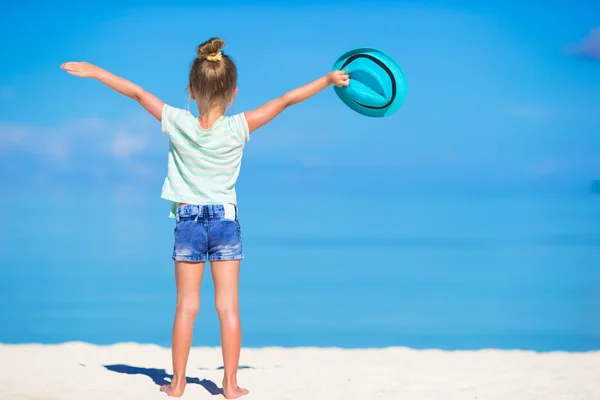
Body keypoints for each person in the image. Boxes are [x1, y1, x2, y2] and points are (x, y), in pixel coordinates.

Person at [61, 37, 350, 399]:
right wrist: (326, 80)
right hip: (226, 220)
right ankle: (229, 385)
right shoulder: (240, 126)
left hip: (189, 221)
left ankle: (178, 383)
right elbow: (286, 100)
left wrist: (96, 72)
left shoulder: (177, 121)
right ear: (234, 92)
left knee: (186, 306)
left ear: (191, 91)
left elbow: (136, 93)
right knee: (228, 306)